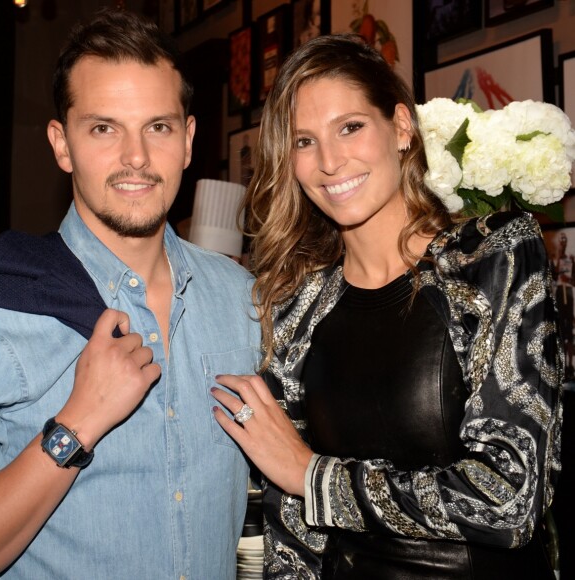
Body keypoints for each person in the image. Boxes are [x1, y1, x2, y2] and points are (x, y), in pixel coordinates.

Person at [210, 34, 564, 579]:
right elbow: (292, 529)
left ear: (400, 128)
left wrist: (312, 476)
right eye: (304, 141)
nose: (329, 162)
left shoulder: (492, 255)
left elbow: (511, 499)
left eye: (350, 127)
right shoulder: (297, 303)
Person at [0, 8, 260, 578]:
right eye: (104, 128)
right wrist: (77, 424)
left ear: (188, 140)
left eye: (158, 127)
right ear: (61, 144)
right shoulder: (6, 304)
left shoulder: (242, 299)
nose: (136, 157)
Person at [551, 231, 575, 379]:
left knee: (569, 333)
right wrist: (558, 260)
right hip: (558, 295)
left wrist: (568, 279)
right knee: (559, 331)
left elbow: (574, 281)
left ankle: (570, 365)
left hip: (569, 295)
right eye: (561, 240)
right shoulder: (553, 260)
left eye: (565, 240)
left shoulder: (571, 260)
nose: (563, 243)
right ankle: (559, 364)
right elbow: (552, 277)